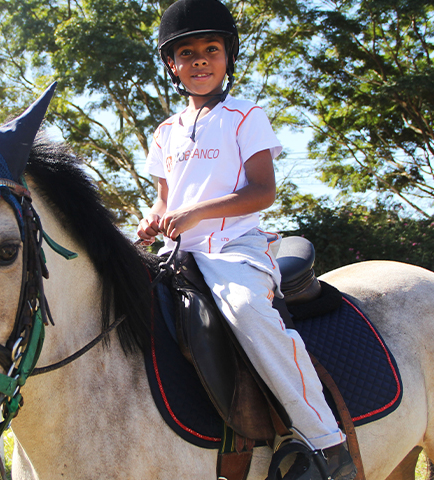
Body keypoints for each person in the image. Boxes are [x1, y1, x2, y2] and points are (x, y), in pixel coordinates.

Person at [137, 1, 356, 479]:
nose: (199, 60)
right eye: (186, 52)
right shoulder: (165, 132)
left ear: (227, 58)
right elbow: (163, 199)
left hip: (236, 247)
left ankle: (327, 442)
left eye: (210, 49)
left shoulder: (245, 115)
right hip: (178, 255)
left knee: (244, 309)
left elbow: (262, 191)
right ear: (171, 65)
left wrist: (199, 212)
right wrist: (152, 221)